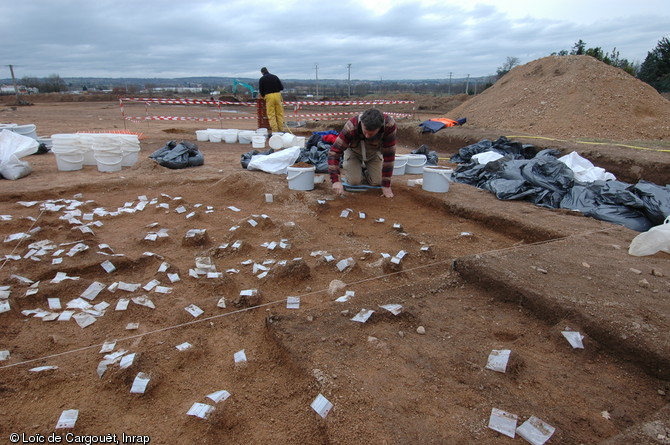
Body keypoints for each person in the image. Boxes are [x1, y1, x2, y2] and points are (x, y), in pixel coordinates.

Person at [327, 108, 397, 198]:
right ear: (362, 123)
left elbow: (389, 155)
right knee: (354, 182)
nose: (367, 136)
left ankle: (366, 172)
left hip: (373, 153)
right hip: (353, 152)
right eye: (365, 132)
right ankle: (357, 171)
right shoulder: (351, 126)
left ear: (379, 128)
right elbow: (334, 152)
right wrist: (336, 180)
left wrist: (386, 185)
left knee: (378, 182)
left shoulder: (389, 126)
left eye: (371, 134)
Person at [258, 67, 285, 133]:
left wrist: (264, 96)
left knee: (271, 114)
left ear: (262, 72)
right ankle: (281, 129)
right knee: (279, 113)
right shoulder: (275, 77)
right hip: (277, 95)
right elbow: (281, 87)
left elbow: (261, 91)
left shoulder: (262, 79)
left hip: (269, 96)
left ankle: (275, 131)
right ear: (267, 70)